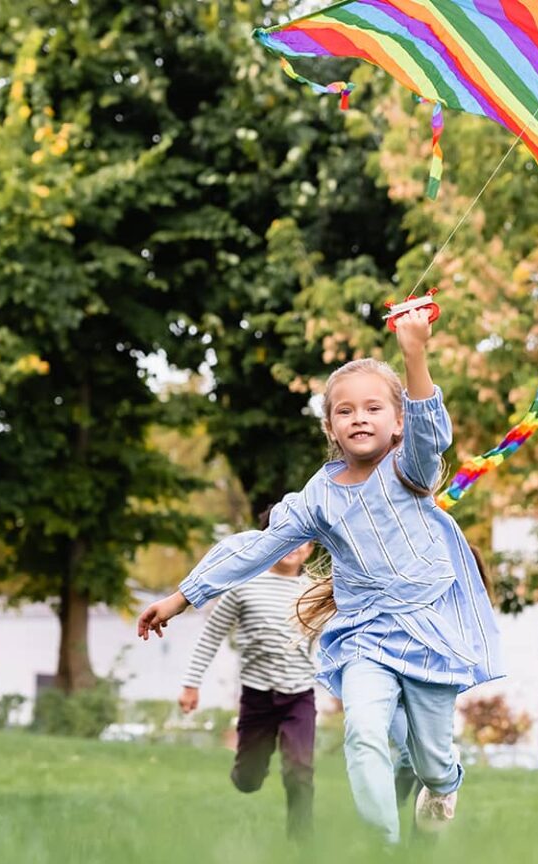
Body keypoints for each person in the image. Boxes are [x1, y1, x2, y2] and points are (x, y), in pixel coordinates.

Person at [139, 308, 501, 845]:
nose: (360, 418)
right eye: (345, 411)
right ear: (330, 427)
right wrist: (180, 598)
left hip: (430, 630)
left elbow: (431, 432)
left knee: (430, 756)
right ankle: (385, 843)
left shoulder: (411, 470)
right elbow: (256, 548)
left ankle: (443, 785)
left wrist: (414, 353)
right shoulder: (319, 497)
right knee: (362, 735)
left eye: (374, 408)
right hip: (365, 635)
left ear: (396, 421)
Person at [177, 507, 317, 840]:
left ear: (311, 547)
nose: (294, 545)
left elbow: (332, 639)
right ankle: (247, 771)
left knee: (300, 770)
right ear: (268, 541)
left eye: (302, 539)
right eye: (285, 535)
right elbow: (211, 634)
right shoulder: (243, 586)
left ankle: (302, 844)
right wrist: (191, 684)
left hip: (300, 694)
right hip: (257, 695)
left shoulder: (315, 590)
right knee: (248, 780)